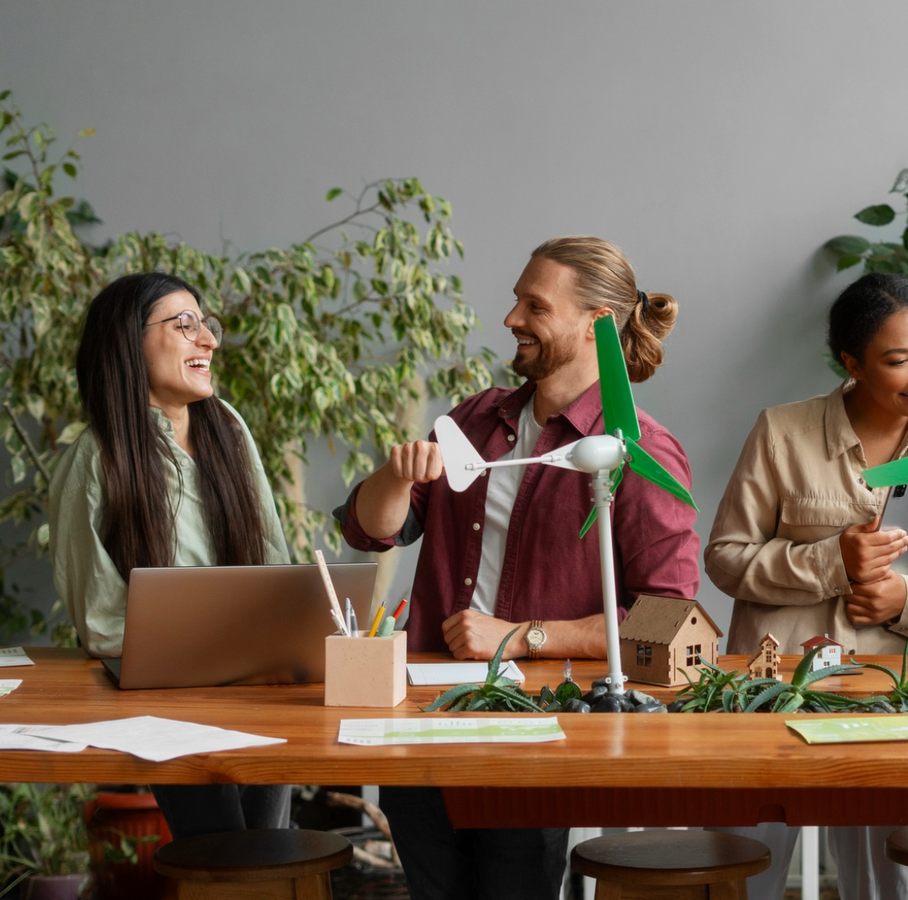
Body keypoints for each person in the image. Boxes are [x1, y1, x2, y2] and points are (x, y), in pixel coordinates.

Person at [336, 235, 699, 900]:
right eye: (515, 301)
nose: (510, 320)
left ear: (597, 325)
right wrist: (394, 477)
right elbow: (369, 530)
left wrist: (522, 634)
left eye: (534, 305)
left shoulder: (634, 450)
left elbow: (668, 622)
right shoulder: (475, 419)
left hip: (535, 729)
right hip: (427, 718)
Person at [705, 272, 908, 900]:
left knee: (891, 882)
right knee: (742, 872)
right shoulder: (782, 432)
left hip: (901, 701)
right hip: (773, 698)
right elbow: (726, 559)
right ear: (852, 364)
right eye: (898, 359)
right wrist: (837, 560)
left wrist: (907, 599)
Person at [49, 272, 292, 839]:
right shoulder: (96, 460)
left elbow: (275, 567)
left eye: (207, 325)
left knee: (272, 848)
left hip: (263, 685)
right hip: (164, 704)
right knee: (223, 855)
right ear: (126, 343)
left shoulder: (229, 428)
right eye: (184, 325)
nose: (207, 339)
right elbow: (103, 622)